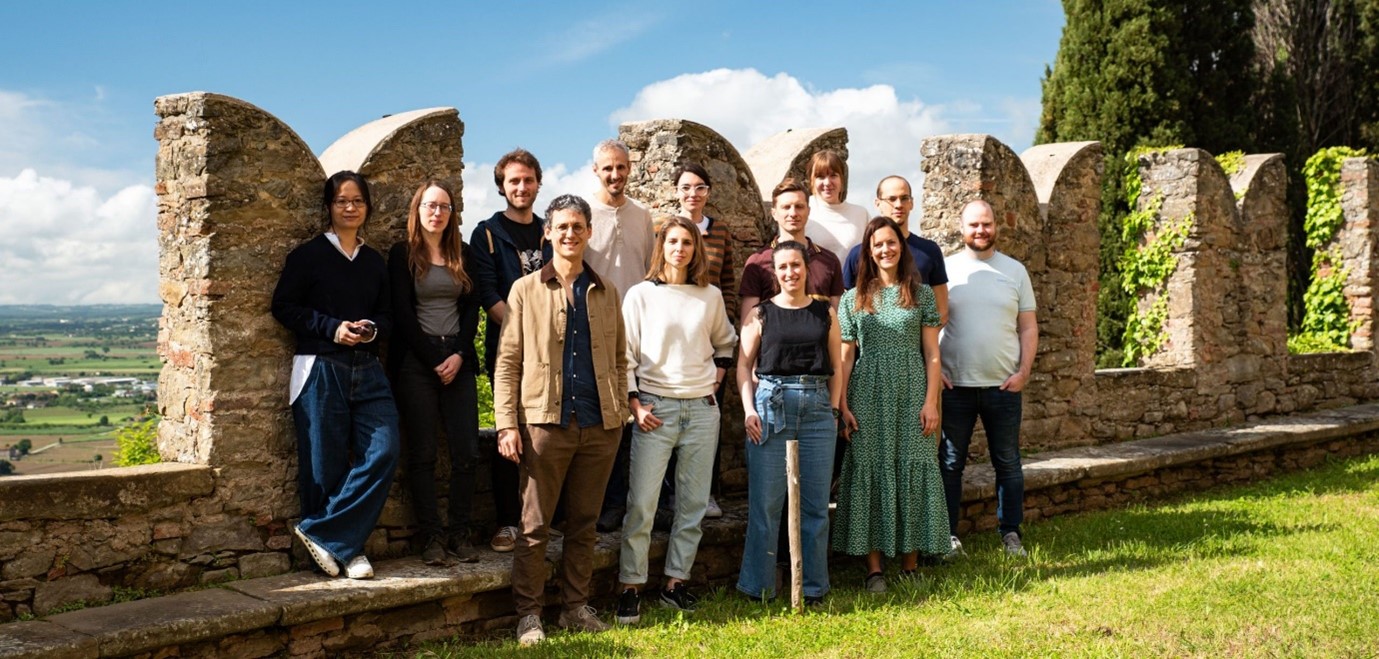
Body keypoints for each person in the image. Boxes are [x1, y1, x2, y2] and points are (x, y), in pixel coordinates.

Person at [494, 194, 628, 646]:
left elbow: (619, 359)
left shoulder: (607, 291)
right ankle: (529, 616)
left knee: (584, 523)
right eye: (562, 227)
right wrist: (507, 424)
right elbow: (508, 362)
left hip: (599, 424)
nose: (570, 234)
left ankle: (574, 608)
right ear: (547, 232)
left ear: (589, 232)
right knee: (534, 526)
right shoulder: (524, 290)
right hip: (544, 425)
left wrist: (620, 413)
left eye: (578, 226)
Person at [271, 170, 400, 580]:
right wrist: (333, 328)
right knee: (323, 466)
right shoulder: (307, 256)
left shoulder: (374, 261)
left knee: (384, 449)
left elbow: (388, 314)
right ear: (328, 207)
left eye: (357, 201)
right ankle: (348, 551)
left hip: (368, 367)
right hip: (319, 366)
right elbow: (284, 307)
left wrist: (371, 329)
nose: (349, 207)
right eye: (341, 200)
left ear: (367, 208)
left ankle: (324, 534)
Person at [615, 215, 737, 624]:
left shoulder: (710, 296)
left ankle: (675, 584)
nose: (680, 249)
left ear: (696, 249)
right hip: (655, 409)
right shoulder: (640, 295)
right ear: (661, 246)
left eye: (687, 242)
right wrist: (636, 404)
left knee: (692, 506)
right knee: (643, 504)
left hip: (702, 410)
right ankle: (630, 588)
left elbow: (726, 343)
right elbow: (625, 355)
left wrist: (717, 381)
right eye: (673, 241)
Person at [832, 217, 949, 593]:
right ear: (868, 250)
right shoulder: (853, 298)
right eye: (878, 244)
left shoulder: (921, 294)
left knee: (913, 466)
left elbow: (932, 354)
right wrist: (843, 402)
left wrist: (931, 402)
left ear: (902, 247)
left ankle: (911, 565)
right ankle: (874, 569)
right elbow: (845, 357)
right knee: (871, 468)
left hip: (913, 389)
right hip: (867, 392)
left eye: (892, 243)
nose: (885, 249)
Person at [735, 241, 844, 605]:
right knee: (766, 504)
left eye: (796, 265)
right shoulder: (761, 314)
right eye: (783, 267)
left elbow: (837, 366)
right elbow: (743, 367)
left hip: (816, 410)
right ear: (775, 272)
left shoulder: (824, 312)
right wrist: (749, 410)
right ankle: (759, 587)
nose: (790, 273)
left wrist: (831, 408)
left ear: (806, 267)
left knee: (814, 506)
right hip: (770, 407)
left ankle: (813, 587)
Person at [387, 180, 481, 565]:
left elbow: (472, 311)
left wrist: (458, 355)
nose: (437, 213)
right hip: (417, 361)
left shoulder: (466, 255)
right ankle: (431, 538)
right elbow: (401, 315)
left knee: (467, 452)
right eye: (430, 205)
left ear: (452, 213)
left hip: (457, 358)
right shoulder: (401, 255)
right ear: (417, 210)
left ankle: (460, 533)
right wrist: (432, 359)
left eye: (444, 207)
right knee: (423, 453)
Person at [939, 199, 1038, 558]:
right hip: (955, 386)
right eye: (973, 225)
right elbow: (931, 325)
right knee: (950, 463)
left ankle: (1011, 534)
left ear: (996, 226)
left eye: (986, 224)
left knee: (1008, 462)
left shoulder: (1015, 271)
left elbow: (1027, 327)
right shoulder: (945, 270)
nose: (980, 231)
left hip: (1003, 386)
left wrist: (1023, 372)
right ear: (961, 228)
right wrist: (936, 374)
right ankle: (948, 537)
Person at [470, 148, 551, 554]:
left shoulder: (549, 231)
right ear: (501, 186)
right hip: (509, 350)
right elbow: (488, 294)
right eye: (513, 181)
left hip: (552, 353)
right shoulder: (487, 232)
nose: (521, 187)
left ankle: (541, 519)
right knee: (509, 431)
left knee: (547, 433)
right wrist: (529, 332)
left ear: (538, 182)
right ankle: (506, 523)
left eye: (528, 179)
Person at [652, 161, 737, 523]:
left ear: (708, 193)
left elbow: (729, 282)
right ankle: (668, 496)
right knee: (667, 418)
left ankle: (707, 494)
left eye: (700, 187)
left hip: (708, 335)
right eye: (686, 187)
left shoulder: (720, 232)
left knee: (708, 416)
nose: (693, 194)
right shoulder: (664, 230)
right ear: (677, 191)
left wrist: (724, 317)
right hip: (671, 338)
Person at [586, 139, 656, 533]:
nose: (615, 175)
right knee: (604, 421)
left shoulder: (642, 217)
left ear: (630, 169)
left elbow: (649, 272)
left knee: (637, 415)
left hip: (637, 331)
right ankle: (605, 504)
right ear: (595, 170)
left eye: (621, 167)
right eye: (607, 168)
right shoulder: (583, 213)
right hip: (595, 328)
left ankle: (632, 502)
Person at [841, 176, 949, 325]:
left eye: (904, 198)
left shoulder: (929, 251)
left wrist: (922, 343)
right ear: (878, 204)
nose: (898, 205)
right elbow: (848, 311)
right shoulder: (858, 255)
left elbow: (941, 311)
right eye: (891, 199)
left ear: (911, 203)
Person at [738, 178, 844, 326]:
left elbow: (838, 322)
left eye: (799, 206)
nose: (793, 213)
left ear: (808, 210)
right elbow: (748, 326)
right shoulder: (757, 262)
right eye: (786, 207)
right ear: (774, 213)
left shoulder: (829, 261)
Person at [803, 150, 870, 264]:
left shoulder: (861, 215)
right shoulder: (801, 210)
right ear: (811, 181)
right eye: (820, 176)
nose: (827, 182)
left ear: (842, 179)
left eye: (833, 175)